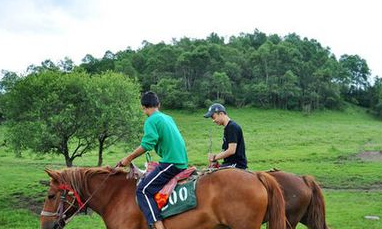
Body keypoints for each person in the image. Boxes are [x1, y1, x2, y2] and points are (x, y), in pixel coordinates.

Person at [117, 91, 188, 229]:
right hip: (179, 160)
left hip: (172, 162)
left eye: (143, 108)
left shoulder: (151, 120)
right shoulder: (168, 117)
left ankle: (158, 224)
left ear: (143, 107)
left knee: (142, 190)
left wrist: (128, 158)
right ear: (158, 105)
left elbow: (147, 145)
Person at [204, 103, 247, 169]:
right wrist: (215, 157)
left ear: (221, 114)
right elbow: (226, 149)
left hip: (236, 164)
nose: (213, 121)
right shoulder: (228, 128)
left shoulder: (232, 127)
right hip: (229, 163)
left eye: (213, 117)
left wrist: (214, 157)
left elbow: (231, 150)